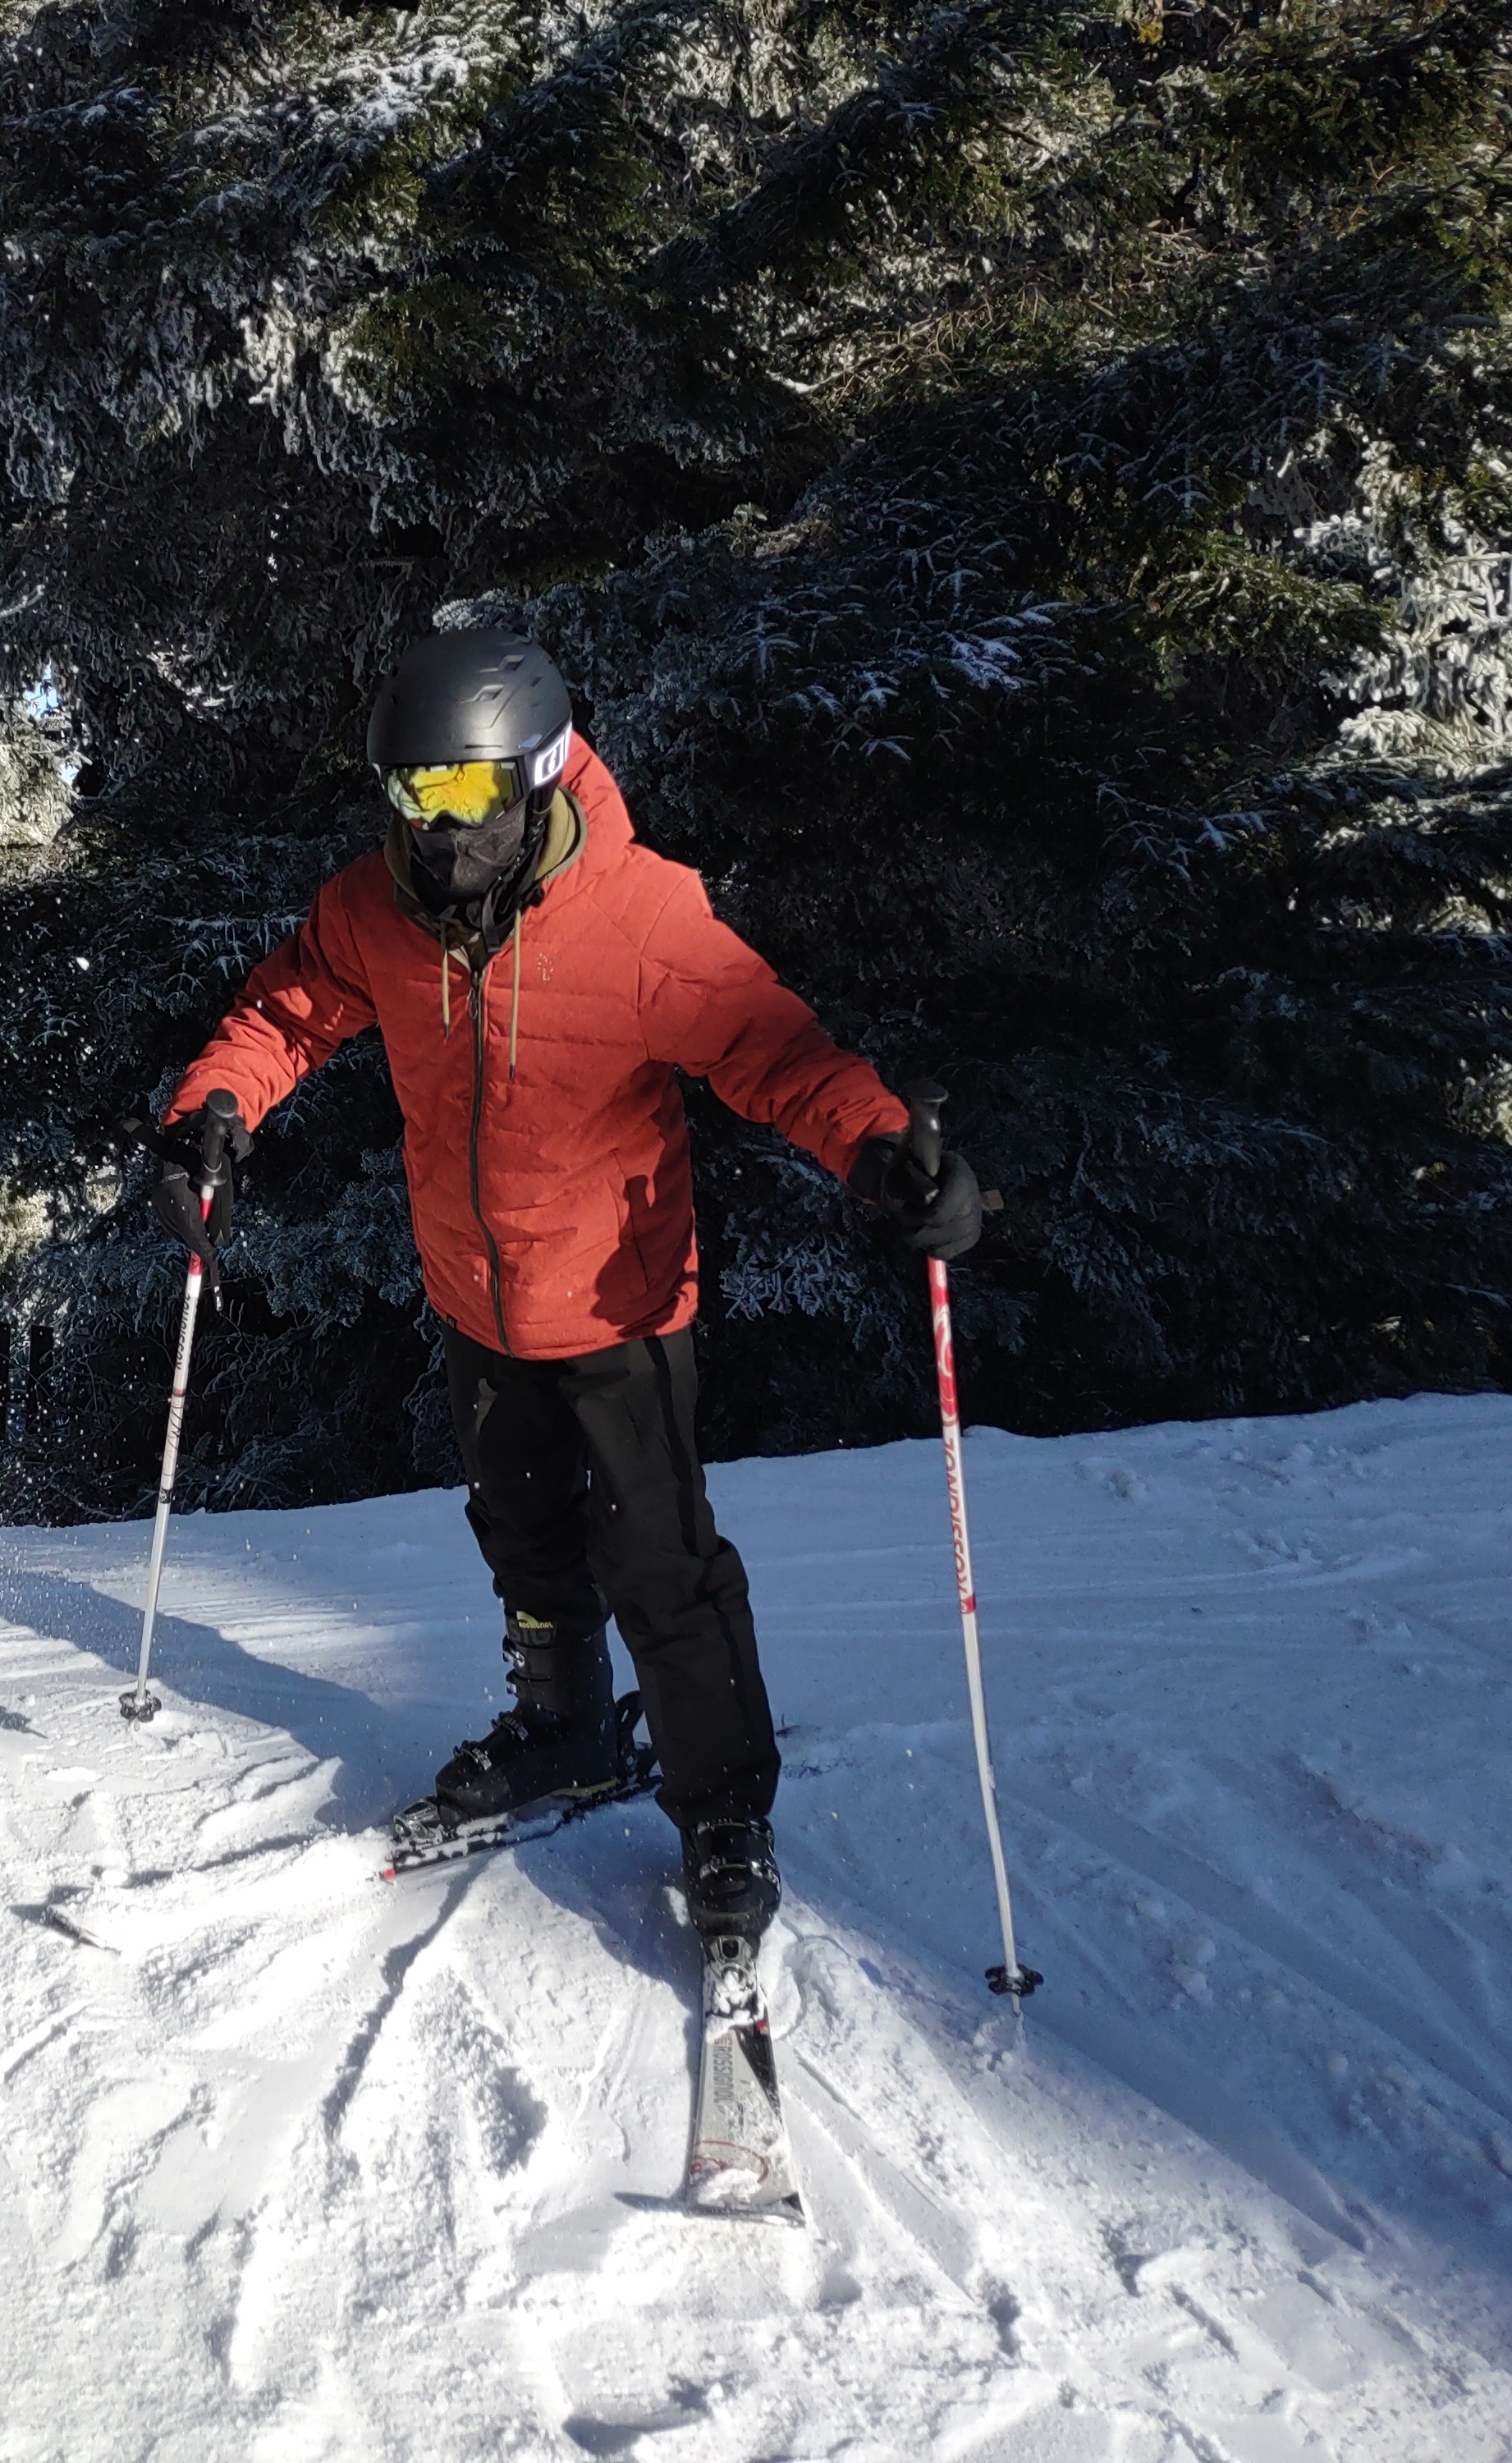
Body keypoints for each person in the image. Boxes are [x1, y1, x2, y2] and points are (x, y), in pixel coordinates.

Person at [147, 630, 978, 1942]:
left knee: (661, 1560)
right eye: (412, 792)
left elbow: (774, 1049)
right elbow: (288, 1012)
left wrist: (880, 1151)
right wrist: (209, 1115)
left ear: (534, 776)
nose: (436, 828)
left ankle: (723, 1807)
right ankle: (565, 1726)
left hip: (618, 1303)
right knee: (523, 1530)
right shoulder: (376, 909)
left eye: (466, 792)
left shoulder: (637, 913)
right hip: (475, 1296)